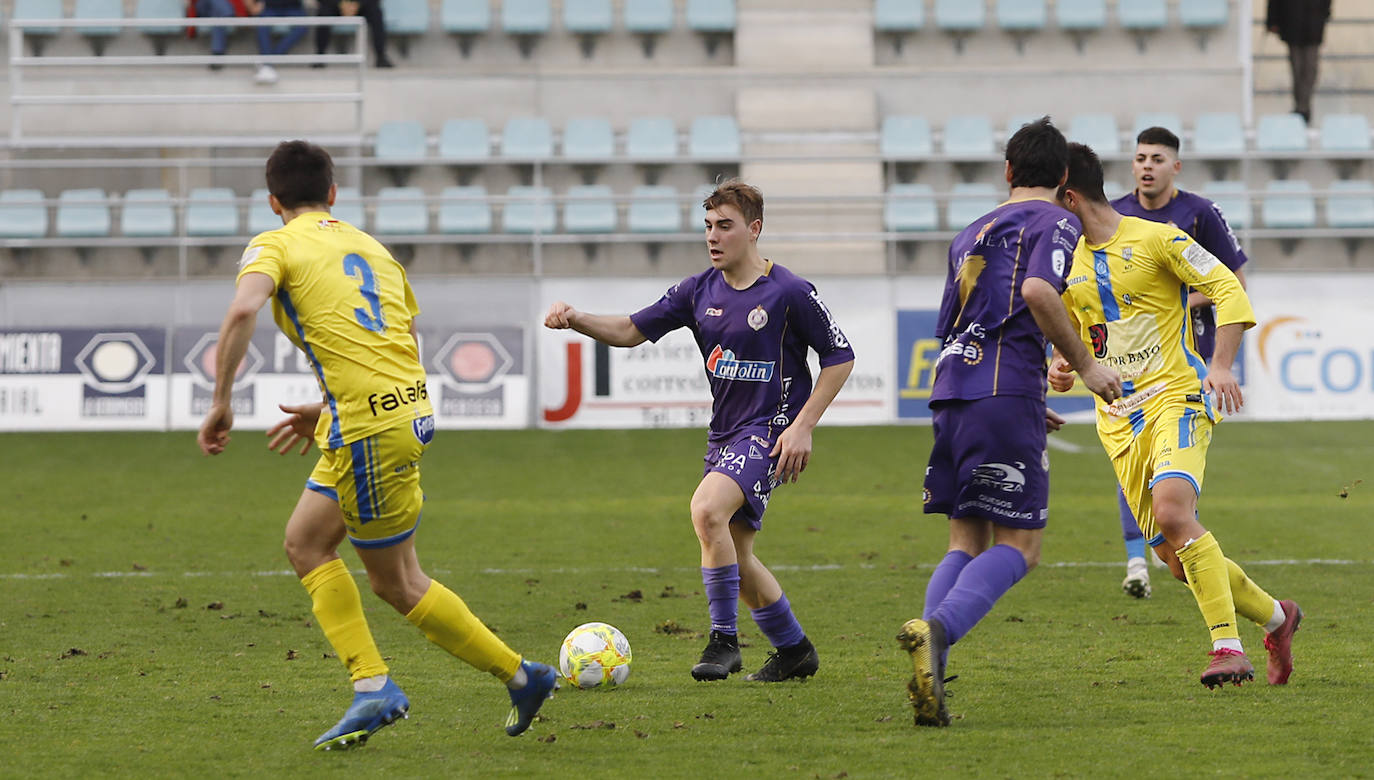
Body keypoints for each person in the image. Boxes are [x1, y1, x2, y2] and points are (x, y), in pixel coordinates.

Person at [197, 140, 557, 750]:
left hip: (368, 428)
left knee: (398, 582)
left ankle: (507, 677)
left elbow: (241, 312)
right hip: (395, 412)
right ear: (333, 193)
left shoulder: (274, 244)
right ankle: (396, 683)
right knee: (305, 542)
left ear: (273, 201)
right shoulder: (372, 248)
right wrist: (330, 408)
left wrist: (221, 402)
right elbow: (404, 338)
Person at [544, 180, 854, 684]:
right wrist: (576, 318)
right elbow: (630, 330)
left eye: (725, 226)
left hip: (771, 431)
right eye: (708, 226)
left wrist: (802, 427)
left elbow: (840, 356)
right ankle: (795, 650)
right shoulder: (696, 291)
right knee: (737, 555)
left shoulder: (789, 292)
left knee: (707, 510)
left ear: (754, 230)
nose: (713, 236)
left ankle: (723, 642)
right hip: (725, 434)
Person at [1050, 142, 1303, 691]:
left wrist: (1222, 364)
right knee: (1176, 560)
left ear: (1069, 198)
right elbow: (1079, 329)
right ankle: (1278, 619)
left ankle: (1227, 648)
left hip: (1176, 397)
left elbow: (1227, 286)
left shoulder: (1158, 238)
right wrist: (1063, 364)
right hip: (1118, 421)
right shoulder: (1064, 264)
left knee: (1171, 512)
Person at [897, 117, 1124, 728]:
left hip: (953, 391)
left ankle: (931, 670)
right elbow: (1039, 293)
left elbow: (951, 324)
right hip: (1002, 392)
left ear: (1007, 171)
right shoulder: (1056, 221)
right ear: (1065, 177)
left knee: (964, 541)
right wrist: (1088, 367)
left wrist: (1020, 396)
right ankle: (938, 633)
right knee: (1021, 547)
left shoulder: (969, 232)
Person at [1106, 125, 1250, 599]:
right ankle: (1137, 561)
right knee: (1134, 461)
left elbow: (1234, 283)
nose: (1147, 166)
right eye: (1140, 158)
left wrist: (1176, 303)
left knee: (1169, 470)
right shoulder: (1115, 216)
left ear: (1176, 167)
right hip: (1130, 361)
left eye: (1157, 159)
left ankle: (1179, 546)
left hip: (1185, 360)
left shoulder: (1200, 214)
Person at [1267, 0, 1333, 124]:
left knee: (1310, 69)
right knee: (1297, 70)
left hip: (1313, 24)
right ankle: (1301, 107)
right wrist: (1272, 21)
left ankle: (1302, 107)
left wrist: (1325, 13)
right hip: (1292, 23)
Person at [315, 0, 393, 69]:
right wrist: (340, 4)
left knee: (376, 12)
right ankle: (319, 57)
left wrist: (358, 4)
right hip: (334, 5)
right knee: (323, 13)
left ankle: (381, 57)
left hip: (362, 6)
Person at [245, 0, 309, 85]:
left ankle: (267, 62)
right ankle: (267, 63)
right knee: (262, 26)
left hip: (293, 7)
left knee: (303, 26)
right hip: (270, 6)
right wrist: (254, 5)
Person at [191, 0, 249, 65]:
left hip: (218, 10)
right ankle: (229, 13)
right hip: (203, 7)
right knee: (219, 8)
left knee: (218, 14)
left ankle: (217, 53)